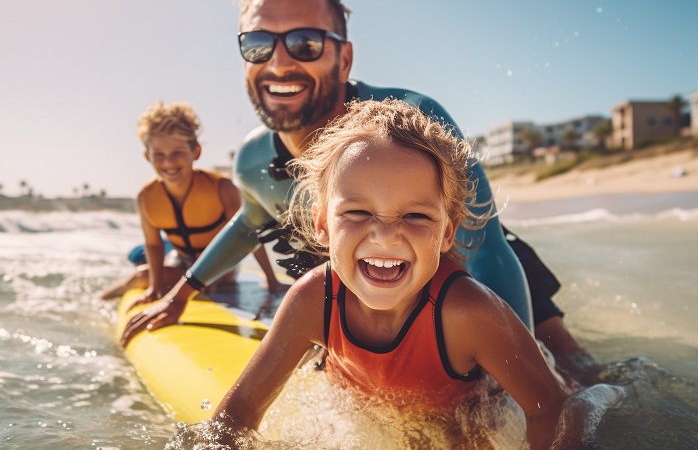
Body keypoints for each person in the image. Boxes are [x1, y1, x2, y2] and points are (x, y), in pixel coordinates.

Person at [120, 0, 598, 386]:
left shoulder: (414, 119)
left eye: (305, 43)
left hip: (468, 262)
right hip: (366, 278)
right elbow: (248, 225)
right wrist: (181, 295)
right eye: (259, 43)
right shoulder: (251, 162)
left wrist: (503, 390)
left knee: (572, 368)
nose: (280, 61)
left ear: (344, 58)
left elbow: (483, 244)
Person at [207, 99, 582, 449]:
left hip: (463, 425)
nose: (385, 236)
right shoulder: (311, 300)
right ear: (322, 222)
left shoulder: (467, 313)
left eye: (416, 216)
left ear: (447, 232)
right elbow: (236, 416)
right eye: (357, 212)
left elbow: (551, 409)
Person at [100, 100, 285, 300]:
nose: (168, 162)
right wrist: (155, 286)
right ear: (147, 156)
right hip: (180, 260)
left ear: (195, 152)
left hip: (220, 266)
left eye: (177, 153)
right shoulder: (147, 197)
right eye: (159, 155)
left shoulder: (220, 188)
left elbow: (249, 232)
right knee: (142, 275)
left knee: (209, 284)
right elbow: (154, 245)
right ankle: (98, 302)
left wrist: (271, 280)